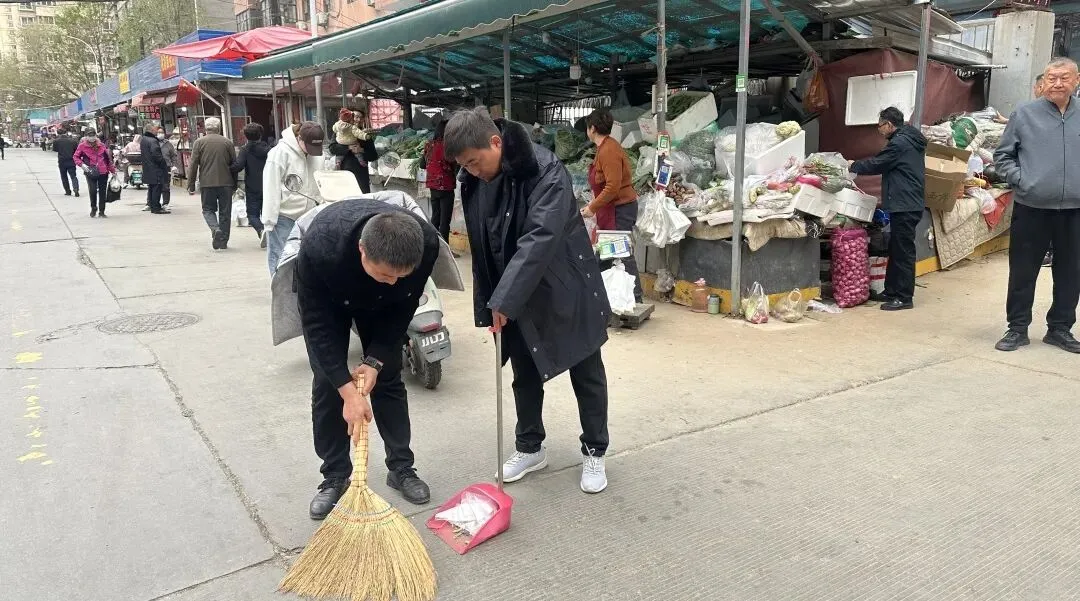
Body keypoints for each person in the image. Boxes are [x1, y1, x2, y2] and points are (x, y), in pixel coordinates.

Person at [445, 107, 612, 494]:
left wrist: (503, 298)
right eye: (464, 167)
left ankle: (595, 450)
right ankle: (530, 446)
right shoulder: (475, 179)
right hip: (515, 292)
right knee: (524, 372)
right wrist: (492, 300)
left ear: (495, 142)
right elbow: (484, 244)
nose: (471, 171)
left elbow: (539, 237)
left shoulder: (545, 170)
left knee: (585, 370)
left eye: (474, 162)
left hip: (565, 284)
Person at [296, 199, 440, 518]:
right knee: (327, 383)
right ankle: (334, 476)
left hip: (388, 308)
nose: (393, 281)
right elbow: (316, 326)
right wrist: (347, 391)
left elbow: (403, 307)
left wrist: (375, 361)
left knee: (388, 377)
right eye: (385, 274)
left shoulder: (426, 244)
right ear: (362, 249)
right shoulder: (320, 247)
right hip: (332, 300)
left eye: (401, 276)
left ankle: (401, 468)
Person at [993, 57, 1080, 354]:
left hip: (1075, 209)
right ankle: (1017, 328)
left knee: (1071, 271)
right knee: (1023, 270)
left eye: (1064, 78)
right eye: (1051, 78)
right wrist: (1022, 180)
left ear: (1076, 80)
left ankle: (1060, 329)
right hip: (1032, 207)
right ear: (1042, 83)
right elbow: (1002, 157)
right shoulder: (1025, 114)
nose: (1057, 83)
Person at [848, 106, 927, 311]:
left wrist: (853, 165)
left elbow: (877, 164)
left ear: (889, 125)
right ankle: (892, 290)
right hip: (906, 202)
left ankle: (904, 297)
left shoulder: (899, 144)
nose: (879, 130)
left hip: (905, 204)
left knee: (903, 251)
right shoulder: (908, 139)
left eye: (880, 125)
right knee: (896, 248)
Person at [580, 108, 643, 302]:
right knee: (608, 254)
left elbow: (613, 186)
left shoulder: (608, 150)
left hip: (620, 209)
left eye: (587, 127)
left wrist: (592, 207)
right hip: (613, 209)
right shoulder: (605, 147)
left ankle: (635, 298)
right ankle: (606, 298)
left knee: (621, 254)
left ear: (592, 128)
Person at [263, 121, 323, 274]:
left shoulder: (317, 155)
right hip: (284, 216)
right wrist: (269, 221)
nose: (311, 152)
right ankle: (279, 294)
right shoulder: (280, 153)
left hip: (309, 216)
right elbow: (271, 187)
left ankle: (298, 294)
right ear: (299, 138)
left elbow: (321, 182)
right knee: (281, 257)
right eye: (308, 147)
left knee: (304, 258)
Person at [187, 117, 238, 250]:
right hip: (226, 183)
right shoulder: (227, 142)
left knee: (208, 209)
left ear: (206, 128)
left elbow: (193, 165)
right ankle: (223, 241)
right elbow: (234, 165)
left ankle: (215, 229)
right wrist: (235, 183)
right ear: (219, 128)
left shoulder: (199, 142)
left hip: (207, 183)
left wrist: (190, 183)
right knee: (225, 212)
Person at [231, 122, 271, 246]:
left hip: (253, 186)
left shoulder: (245, 150)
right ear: (260, 135)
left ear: (246, 136)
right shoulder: (269, 149)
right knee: (268, 213)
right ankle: (268, 233)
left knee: (252, 215)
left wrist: (226, 167)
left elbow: (238, 166)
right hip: (269, 185)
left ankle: (261, 230)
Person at [420, 116, 457, 243]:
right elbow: (454, 165)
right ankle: (445, 248)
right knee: (445, 221)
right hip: (446, 186)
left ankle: (433, 244)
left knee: (435, 217)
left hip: (433, 186)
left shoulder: (429, 145)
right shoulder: (448, 146)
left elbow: (422, 165)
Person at [329, 109, 378, 194]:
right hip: (344, 175)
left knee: (363, 200)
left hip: (361, 176)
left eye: (361, 118)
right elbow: (332, 148)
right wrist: (349, 147)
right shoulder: (340, 132)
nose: (358, 120)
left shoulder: (365, 136)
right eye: (356, 117)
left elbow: (374, 156)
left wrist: (361, 150)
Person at [73, 128, 116, 218]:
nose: (92, 138)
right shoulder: (82, 146)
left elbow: (107, 159)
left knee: (102, 192)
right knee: (92, 191)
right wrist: (82, 165)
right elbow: (76, 157)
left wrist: (113, 171)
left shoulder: (102, 145)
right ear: (86, 136)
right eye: (89, 135)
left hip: (103, 172)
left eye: (93, 135)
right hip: (90, 171)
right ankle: (93, 207)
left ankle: (102, 211)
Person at [140, 122, 171, 215]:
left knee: (152, 188)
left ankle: (152, 206)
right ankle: (156, 207)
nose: (157, 131)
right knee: (157, 188)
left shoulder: (144, 139)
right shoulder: (153, 141)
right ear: (151, 130)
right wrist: (163, 164)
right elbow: (156, 155)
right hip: (155, 169)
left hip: (148, 168)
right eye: (155, 129)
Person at [53, 128, 80, 197]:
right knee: (73, 176)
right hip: (71, 160)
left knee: (64, 176)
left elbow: (55, 150)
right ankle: (76, 189)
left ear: (58, 134)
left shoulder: (56, 141)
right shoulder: (73, 141)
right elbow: (76, 150)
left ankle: (68, 191)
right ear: (66, 132)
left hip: (62, 161)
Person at [160, 128, 180, 209]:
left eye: (161, 132)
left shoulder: (168, 144)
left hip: (166, 167)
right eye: (158, 132)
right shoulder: (153, 142)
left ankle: (165, 203)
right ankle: (151, 203)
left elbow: (173, 155)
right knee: (155, 186)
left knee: (165, 186)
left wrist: (173, 165)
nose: (160, 134)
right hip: (156, 167)